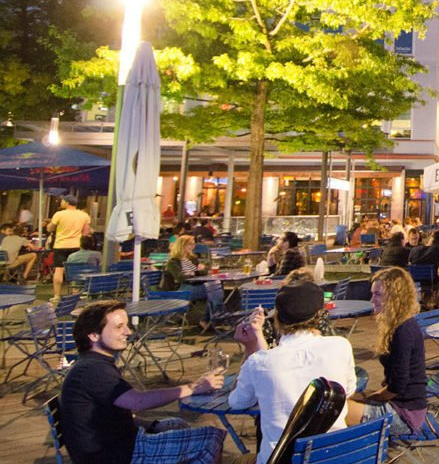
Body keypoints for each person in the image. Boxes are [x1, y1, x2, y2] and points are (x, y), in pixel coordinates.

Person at [60, 300, 225, 464]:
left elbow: (114, 416)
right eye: (119, 327)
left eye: (126, 325)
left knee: (179, 424)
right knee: (212, 438)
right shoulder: (93, 369)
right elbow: (137, 401)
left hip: (120, 443)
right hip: (114, 454)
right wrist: (193, 387)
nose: (128, 331)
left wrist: (152, 425)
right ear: (93, 335)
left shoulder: (95, 363)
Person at [228, 282, 358, 464]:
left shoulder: (260, 362)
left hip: (283, 459)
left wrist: (249, 348)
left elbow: (237, 402)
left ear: (277, 317)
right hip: (333, 456)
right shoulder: (341, 346)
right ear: (320, 314)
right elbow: (348, 390)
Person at [347, 267, 427, 437]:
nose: (371, 300)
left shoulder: (403, 331)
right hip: (404, 405)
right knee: (343, 402)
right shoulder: (400, 325)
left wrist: (372, 398)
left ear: (395, 297)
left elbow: (398, 384)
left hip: (405, 415)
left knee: (336, 411)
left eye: (377, 294)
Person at [48, 194, 91, 301]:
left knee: (59, 270)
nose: (61, 202)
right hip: (76, 245)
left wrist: (49, 225)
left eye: (62, 201)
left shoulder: (59, 214)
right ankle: (75, 293)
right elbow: (86, 232)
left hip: (60, 245)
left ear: (67, 203)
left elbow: (50, 228)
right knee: (75, 270)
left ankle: (56, 295)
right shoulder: (84, 215)